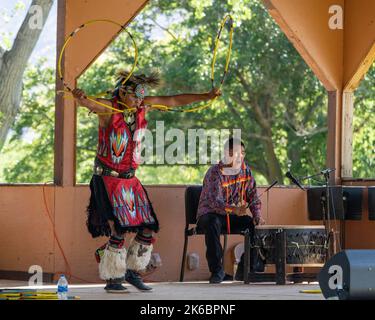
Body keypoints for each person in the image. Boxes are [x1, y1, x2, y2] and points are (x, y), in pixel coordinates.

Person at [72, 70, 221, 293]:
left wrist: (206, 96)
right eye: (134, 96)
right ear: (122, 92)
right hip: (107, 179)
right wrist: (80, 97)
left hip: (130, 180)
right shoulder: (108, 109)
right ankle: (113, 278)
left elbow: (174, 99)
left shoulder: (142, 106)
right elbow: (87, 103)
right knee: (119, 229)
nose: (139, 101)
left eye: (141, 97)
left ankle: (132, 271)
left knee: (148, 229)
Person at [196, 137, 265, 284]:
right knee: (212, 222)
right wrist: (234, 209)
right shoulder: (215, 172)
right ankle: (217, 271)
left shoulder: (246, 172)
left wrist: (257, 215)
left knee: (250, 223)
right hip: (210, 215)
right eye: (237, 153)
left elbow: (253, 196)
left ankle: (246, 269)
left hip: (231, 215)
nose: (241, 156)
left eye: (243, 153)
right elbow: (215, 202)